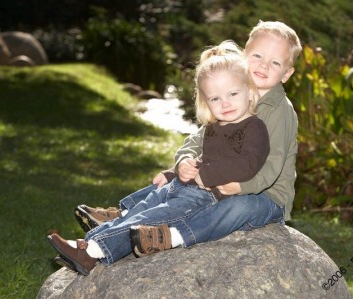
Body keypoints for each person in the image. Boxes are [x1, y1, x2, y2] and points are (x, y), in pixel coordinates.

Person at [47, 40, 271, 275]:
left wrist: (207, 175)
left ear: (249, 90)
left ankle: (93, 252)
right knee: (137, 210)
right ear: (206, 101)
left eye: (232, 94)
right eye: (215, 99)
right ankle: (87, 244)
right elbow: (204, 159)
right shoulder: (215, 127)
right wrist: (178, 170)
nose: (224, 103)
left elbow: (249, 164)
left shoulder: (253, 128)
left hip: (203, 199)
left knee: (148, 219)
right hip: (180, 187)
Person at [129, 20, 302, 256]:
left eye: (275, 62)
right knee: (174, 183)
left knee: (237, 206)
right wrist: (182, 162)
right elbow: (201, 137)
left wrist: (241, 187)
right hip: (222, 178)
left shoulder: (280, 111)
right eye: (258, 56)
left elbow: (272, 167)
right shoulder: (232, 94)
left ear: (287, 73)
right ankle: (124, 215)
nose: (264, 66)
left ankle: (176, 235)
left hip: (265, 195)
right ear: (243, 56)